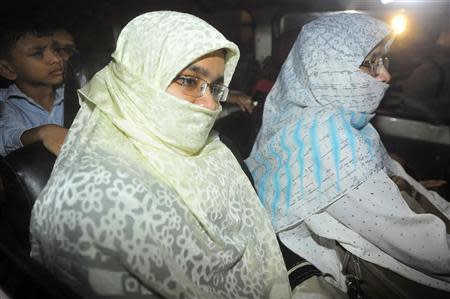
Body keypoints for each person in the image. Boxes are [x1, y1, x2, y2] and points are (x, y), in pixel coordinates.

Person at [30, 11, 291, 298]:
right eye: (190, 81)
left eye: (216, 87)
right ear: (137, 77)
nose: (208, 104)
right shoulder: (90, 202)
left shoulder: (215, 149)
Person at [246, 13, 450, 298]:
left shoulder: (302, 119)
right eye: (370, 63)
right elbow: (421, 246)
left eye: (384, 60)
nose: (386, 76)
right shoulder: (326, 136)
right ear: (329, 67)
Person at [0, 19, 67, 156]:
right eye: (37, 53)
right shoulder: (6, 102)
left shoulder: (77, 92)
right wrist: (42, 133)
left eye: (55, 49)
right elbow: (6, 134)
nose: (56, 59)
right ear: (8, 69)